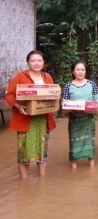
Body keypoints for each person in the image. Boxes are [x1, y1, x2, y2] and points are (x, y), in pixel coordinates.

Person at [6, 50, 57, 178]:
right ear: (28, 62)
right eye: (33, 61)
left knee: (42, 149)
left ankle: (42, 179)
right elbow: (9, 94)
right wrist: (17, 106)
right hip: (24, 118)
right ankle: (24, 181)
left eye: (39, 60)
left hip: (42, 119)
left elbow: (53, 94)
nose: (36, 63)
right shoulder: (20, 76)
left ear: (43, 62)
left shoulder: (47, 77)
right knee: (24, 151)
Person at [63, 60, 98, 168]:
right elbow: (64, 102)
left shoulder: (91, 84)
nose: (80, 72)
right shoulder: (68, 86)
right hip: (74, 119)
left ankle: (91, 167)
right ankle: (74, 168)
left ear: (85, 71)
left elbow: (97, 99)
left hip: (88, 119)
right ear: (73, 71)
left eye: (82, 70)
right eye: (78, 70)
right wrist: (68, 108)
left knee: (90, 142)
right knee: (74, 143)